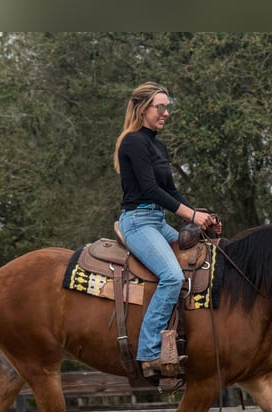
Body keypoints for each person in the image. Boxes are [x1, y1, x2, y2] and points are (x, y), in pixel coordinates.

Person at [113, 81, 218, 380]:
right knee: (172, 276)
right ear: (144, 109)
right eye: (160, 107)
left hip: (157, 222)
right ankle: (148, 353)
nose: (166, 113)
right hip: (137, 222)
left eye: (167, 107)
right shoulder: (133, 142)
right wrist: (190, 215)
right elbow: (149, 188)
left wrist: (201, 216)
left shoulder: (157, 145)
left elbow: (170, 190)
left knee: (206, 257)